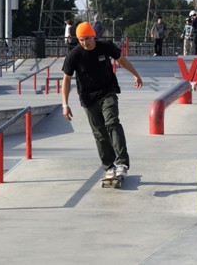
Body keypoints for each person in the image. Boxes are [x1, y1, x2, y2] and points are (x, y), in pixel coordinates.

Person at [61, 22, 143, 181]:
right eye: (82, 40)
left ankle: (122, 163)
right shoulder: (74, 55)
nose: (86, 43)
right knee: (99, 133)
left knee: (112, 122)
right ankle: (109, 166)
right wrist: (65, 104)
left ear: (94, 36)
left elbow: (122, 59)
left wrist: (136, 74)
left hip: (107, 91)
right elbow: (66, 80)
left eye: (88, 39)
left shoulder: (105, 46)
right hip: (88, 98)